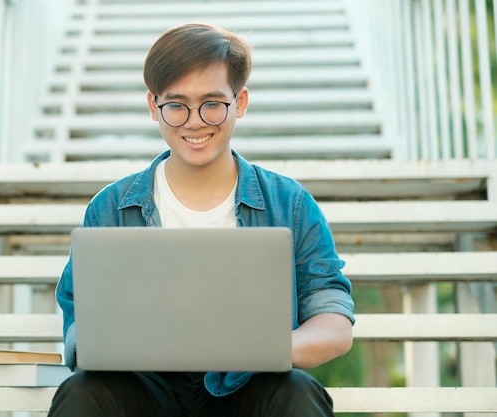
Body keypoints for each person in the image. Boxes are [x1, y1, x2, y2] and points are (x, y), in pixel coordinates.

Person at [49, 22, 355, 417]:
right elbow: (79, 323)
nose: (195, 121)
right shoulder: (110, 208)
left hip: (247, 386)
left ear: (240, 102)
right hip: (143, 390)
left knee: (296, 392)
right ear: (153, 106)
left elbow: (332, 318)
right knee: (82, 393)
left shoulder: (290, 204)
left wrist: (268, 348)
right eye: (176, 105)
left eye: (213, 103)